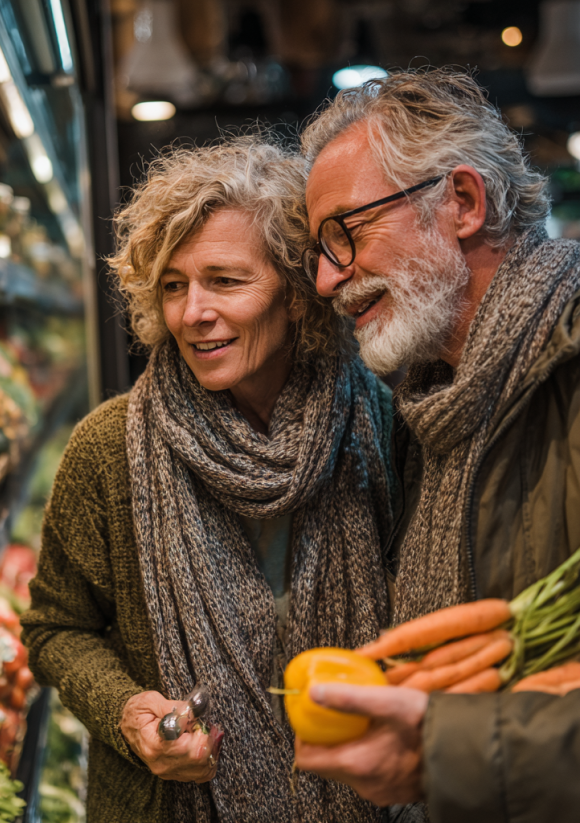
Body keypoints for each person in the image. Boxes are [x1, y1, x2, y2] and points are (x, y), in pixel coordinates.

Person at [21, 136, 396, 823]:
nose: (192, 312)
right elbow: (56, 629)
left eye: (224, 280)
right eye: (172, 285)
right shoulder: (108, 448)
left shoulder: (381, 423)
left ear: (294, 293)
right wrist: (129, 711)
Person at [294, 68, 580, 823]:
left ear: (460, 201)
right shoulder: (428, 401)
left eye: (344, 233)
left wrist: (442, 749)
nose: (325, 280)